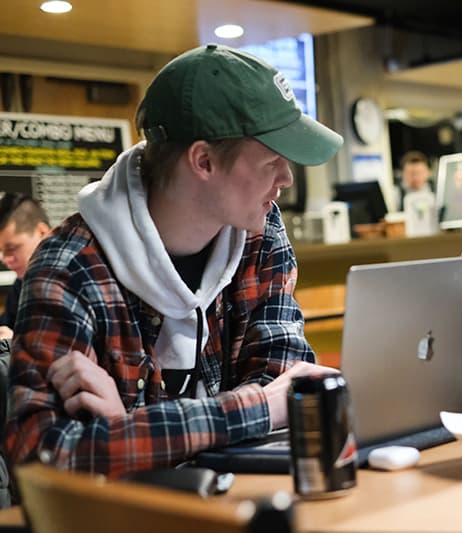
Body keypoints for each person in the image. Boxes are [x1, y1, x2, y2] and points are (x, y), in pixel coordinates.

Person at [5, 43, 343, 479]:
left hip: (230, 503)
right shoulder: (68, 268)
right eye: (272, 160)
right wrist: (253, 409)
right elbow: (39, 459)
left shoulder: (261, 230)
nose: (287, 178)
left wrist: (130, 429)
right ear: (203, 161)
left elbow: (284, 380)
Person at [0, 193, 50, 339]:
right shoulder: (21, 284)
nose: (5, 259)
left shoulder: (76, 279)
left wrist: (16, 341)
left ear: (42, 233)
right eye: (1, 251)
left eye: (11, 248)